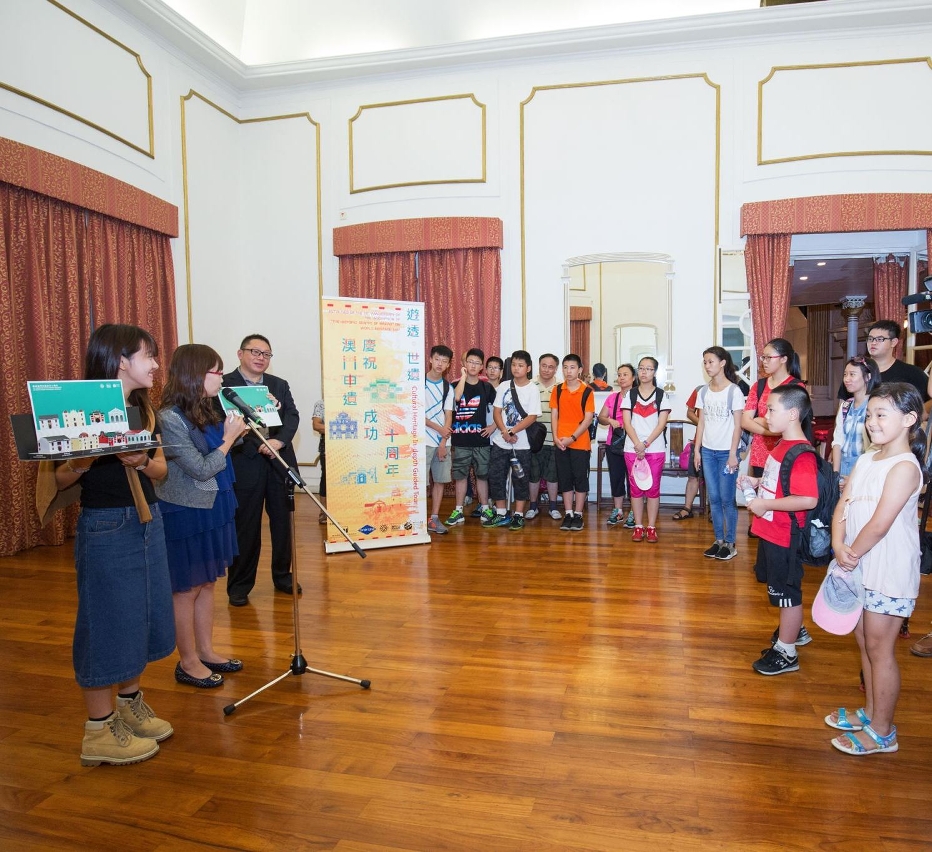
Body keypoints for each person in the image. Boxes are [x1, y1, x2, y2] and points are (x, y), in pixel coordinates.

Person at [48, 324, 174, 766]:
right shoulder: (79, 407)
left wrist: (142, 461)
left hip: (147, 520)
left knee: (139, 614)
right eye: (149, 355)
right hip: (105, 526)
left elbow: (160, 470)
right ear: (121, 360)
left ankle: (129, 704)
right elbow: (60, 477)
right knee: (105, 623)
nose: (156, 364)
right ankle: (98, 730)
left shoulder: (144, 408)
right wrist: (84, 454)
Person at [824, 383, 926, 755]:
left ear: (909, 419)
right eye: (869, 416)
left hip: (887, 567)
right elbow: (843, 504)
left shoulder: (905, 467)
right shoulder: (868, 459)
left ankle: (884, 731)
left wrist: (849, 552)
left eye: (882, 415)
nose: (872, 423)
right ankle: (870, 712)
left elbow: (881, 523)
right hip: (856, 560)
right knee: (864, 640)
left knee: (881, 648)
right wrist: (838, 545)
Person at [156, 344, 248, 688]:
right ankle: (188, 661)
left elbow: (220, 449)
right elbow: (200, 468)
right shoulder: (169, 417)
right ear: (194, 374)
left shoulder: (207, 409)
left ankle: (207, 650)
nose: (221, 377)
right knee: (186, 588)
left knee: (207, 583)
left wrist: (241, 429)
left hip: (216, 506)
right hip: (187, 511)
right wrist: (228, 440)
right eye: (216, 371)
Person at [741, 384, 819, 676]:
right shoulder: (781, 446)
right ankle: (792, 632)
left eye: (772, 409)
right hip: (771, 531)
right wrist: (756, 483)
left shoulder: (801, 454)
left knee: (787, 594)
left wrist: (764, 505)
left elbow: (808, 498)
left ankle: (787, 652)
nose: (765, 414)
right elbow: (780, 483)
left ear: (793, 414)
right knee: (779, 590)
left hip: (785, 534)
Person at [224, 335, 301, 605]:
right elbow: (219, 423)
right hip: (245, 462)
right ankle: (239, 585)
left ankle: (283, 576)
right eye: (255, 352)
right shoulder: (225, 386)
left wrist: (278, 441)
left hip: (278, 461)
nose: (260, 357)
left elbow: (292, 416)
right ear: (240, 353)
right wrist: (255, 440)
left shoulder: (278, 385)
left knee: (282, 523)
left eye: (266, 354)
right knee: (245, 525)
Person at [741, 338, 807, 536]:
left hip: (786, 453)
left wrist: (761, 421)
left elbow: (793, 424)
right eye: (763, 357)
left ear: (784, 359)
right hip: (761, 452)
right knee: (762, 498)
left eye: (769, 357)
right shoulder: (758, 386)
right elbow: (745, 421)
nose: (764, 361)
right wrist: (770, 428)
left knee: (781, 500)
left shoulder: (795, 387)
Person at [694, 347, 745, 560]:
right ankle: (719, 540)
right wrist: (697, 450)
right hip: (707, 451)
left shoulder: (734, 391)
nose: (707, 366)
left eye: (711, 361)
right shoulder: (703, 392)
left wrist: (733, 454)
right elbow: (701, 423)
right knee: (713, 499)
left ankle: (730, 542)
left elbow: (738, 426)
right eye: (705, 362)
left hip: (726, 453)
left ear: (723, 363)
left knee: (727, 499)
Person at [484, 350, 541, 530]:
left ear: (528, 368)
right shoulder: (503, 386)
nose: (516, 368)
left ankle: (518, 515)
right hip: (501, 442)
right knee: (496, 477)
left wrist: (512, 430)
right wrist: (504, 432)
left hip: (522, 444)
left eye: (521, 365)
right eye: (514, 365)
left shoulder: (533, 388)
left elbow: (532, 416)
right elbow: (496, 411)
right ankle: (501, 513)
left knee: (520, 479)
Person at [620, 356, 671, 542]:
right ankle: (638, 526)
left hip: (655, 448)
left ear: (654, 372)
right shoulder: (630, 395)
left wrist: (646, 444)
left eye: (649, 369)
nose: (644, 372)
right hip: (632, 448)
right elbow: (627, 422)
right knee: (635, 488)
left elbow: (661, 424)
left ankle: (651, 527)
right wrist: (637, 444)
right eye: (641, 368)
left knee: (652, 488)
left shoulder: (661, 395)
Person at [447, 348, 496, 526]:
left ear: (481, 366)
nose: (473, 365)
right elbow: (457, 398)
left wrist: (493, 426)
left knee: (482, 475)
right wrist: (463, 376)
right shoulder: (455, 385)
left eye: (477, 363)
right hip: (460, 441)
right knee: (460, 476)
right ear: (464, 364)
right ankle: (458, 510)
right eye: (470, 362)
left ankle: (485, 508)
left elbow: (501, 409)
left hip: (481, 440)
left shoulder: (486, 387)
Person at [551, 354, 595, 531]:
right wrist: (555, 437)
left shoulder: (587, 391)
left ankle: (578, 514)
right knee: (565, 479)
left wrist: (572, 438)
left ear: (580, 370)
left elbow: (588, 419)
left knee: (580, 479)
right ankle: (568, 513)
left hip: (579, 442)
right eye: (565, 367)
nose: (568, 371)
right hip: (560, 442)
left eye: (572, 367)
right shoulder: (558, 389)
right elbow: (555, 414)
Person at [836, 320, 930, 403]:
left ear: (893, 342)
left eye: (880, 339)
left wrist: (923, 413)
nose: (873, 342)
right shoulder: (856, 371)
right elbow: (843, 405)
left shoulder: (911, 373)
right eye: (870, 339)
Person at [832, 356, 880, 488]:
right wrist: (836, 473)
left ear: (868, 377)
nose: (847, 379)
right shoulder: (846, 405)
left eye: (852, 374)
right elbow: (838, 440)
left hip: (865, 468)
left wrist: (856, 476)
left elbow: (876, 447)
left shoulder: (874, 406)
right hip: (843, 465)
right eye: (845, 374)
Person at [598, 364, 636, 526]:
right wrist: (610, 420)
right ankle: (618, 510)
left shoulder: (639, 397)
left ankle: (635, 512)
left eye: (625, 374)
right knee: (616, 478)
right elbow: (601, 417)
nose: (621, 377)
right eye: (619, 374)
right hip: (614, 443)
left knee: (634, 479)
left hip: (634, 444)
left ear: (633, 378)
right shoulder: (612, 397)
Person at [528, 353, 562, 520]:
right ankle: (533, 506)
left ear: (556, 369)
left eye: (551, 366)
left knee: (553, 475)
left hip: (555, 439)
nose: (547, 369)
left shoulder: (561, 387)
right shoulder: (530, 385)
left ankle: (553, 506)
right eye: (543, 365)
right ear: (538, 366)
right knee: (533, 475)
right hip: (534, 440)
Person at [424, 344, 454, 535]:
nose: (440, 364)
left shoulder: (447, 387)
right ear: (430, 359)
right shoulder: (418, 383)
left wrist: (443, 441)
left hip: (443, 441)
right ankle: (417, 519)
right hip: (422, 440)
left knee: (440, 481)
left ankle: (433, 518)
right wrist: (440, 430)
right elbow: (415, 413)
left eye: (444, 361)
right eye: (437, 359)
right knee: (420, 481)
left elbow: (448, 414)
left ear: (449, 364)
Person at [672, 384, 704, 522]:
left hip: (720, 443)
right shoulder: (700, 390)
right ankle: (687, 508)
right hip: (700, 441)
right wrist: (703, 424)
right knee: (693, 476)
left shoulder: (730, 389)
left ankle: (714, 511)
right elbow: (690, 412)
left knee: (714, 479)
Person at [312, 399, 327, 524]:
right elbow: (316, 425)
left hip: (350, 448)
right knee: (326, 479)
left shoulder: (355, 401)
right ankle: (324, 513)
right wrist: (340, 429)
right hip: (328, 448)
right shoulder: (322, 403)